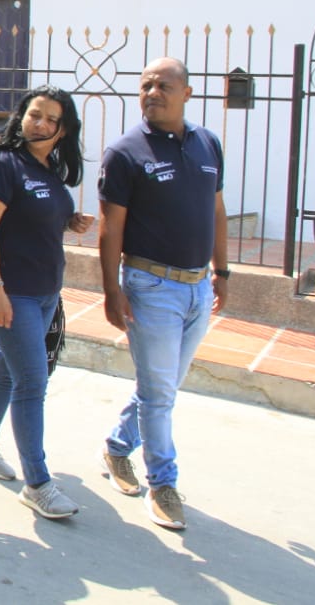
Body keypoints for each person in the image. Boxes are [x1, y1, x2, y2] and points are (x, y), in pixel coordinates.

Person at [98, 56, 228, 530]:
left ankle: (116, 447)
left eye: (164, 85)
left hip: (197, 288)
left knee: (163, 388)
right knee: (160, 396)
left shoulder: (208, 144)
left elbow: (216, 211)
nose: (153, 92)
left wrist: (224, 271)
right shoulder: (126, 153)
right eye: (146, 85)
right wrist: (112, 291)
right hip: (150, 287)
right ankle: (163, 483)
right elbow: (111, 231)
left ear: (187, 93)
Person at [0, 85, 93, 519]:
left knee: (7, 371)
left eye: (50, 119)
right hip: (9, 288)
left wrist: (68, 220)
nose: (39, 123)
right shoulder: (1, 165)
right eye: (34, 114)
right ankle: (37, 483)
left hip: (44, 290)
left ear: (62, 130)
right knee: (32, 381)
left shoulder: (49, 168)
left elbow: (36, 216)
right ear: (22, 117)